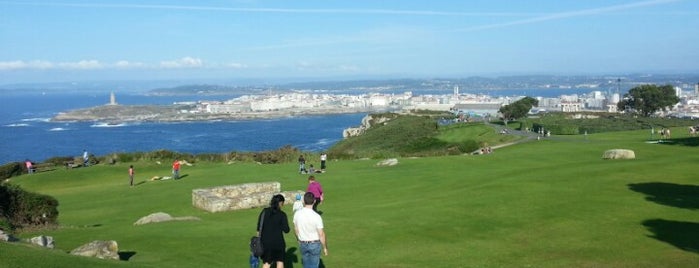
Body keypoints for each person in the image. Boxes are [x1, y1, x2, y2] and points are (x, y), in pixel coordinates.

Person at [293, 192, 328, 268]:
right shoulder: (317, 216)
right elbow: (321, 234)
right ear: (314, 201)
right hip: (314, 244)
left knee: (306, 265)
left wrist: (298, 239)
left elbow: (296, 229)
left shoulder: (297, 214)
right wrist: (325, 247)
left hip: (303, 243)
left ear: (303, 201)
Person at [256, 194, 290, 268]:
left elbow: (259, 228)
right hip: (278, 242)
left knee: (266, 263)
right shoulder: (282, 215)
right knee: (280, 261)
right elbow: (286, 230)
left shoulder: (264, 212)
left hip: (265, 242)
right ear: (280, 203)